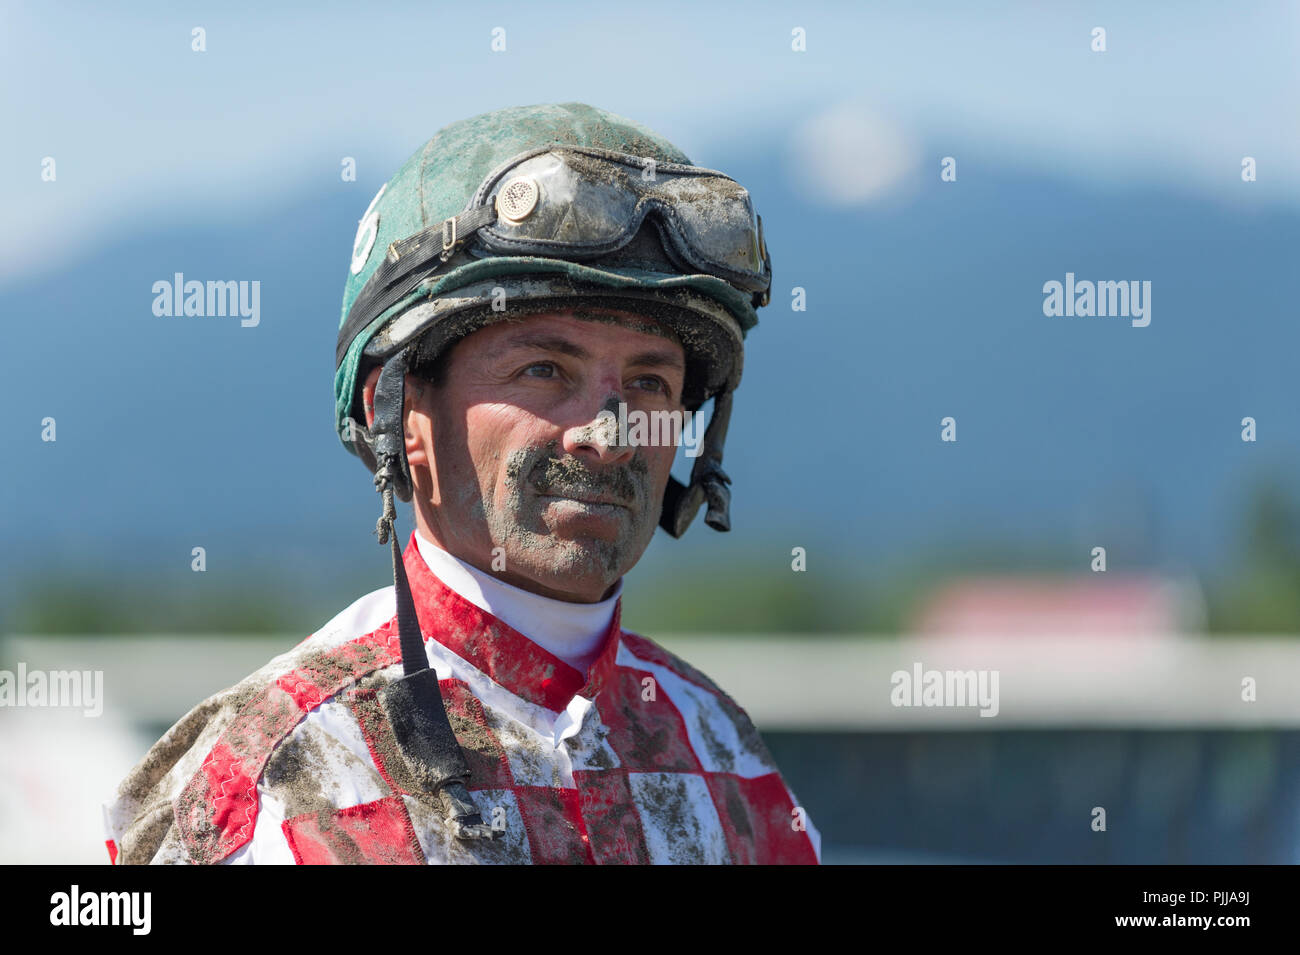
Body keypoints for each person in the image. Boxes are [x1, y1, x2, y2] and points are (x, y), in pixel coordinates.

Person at [103, 102, 821, 864]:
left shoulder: (729, 757)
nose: (611, 435)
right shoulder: (265, 787)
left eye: (649, 382)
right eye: (544, 370)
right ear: (404, 411)